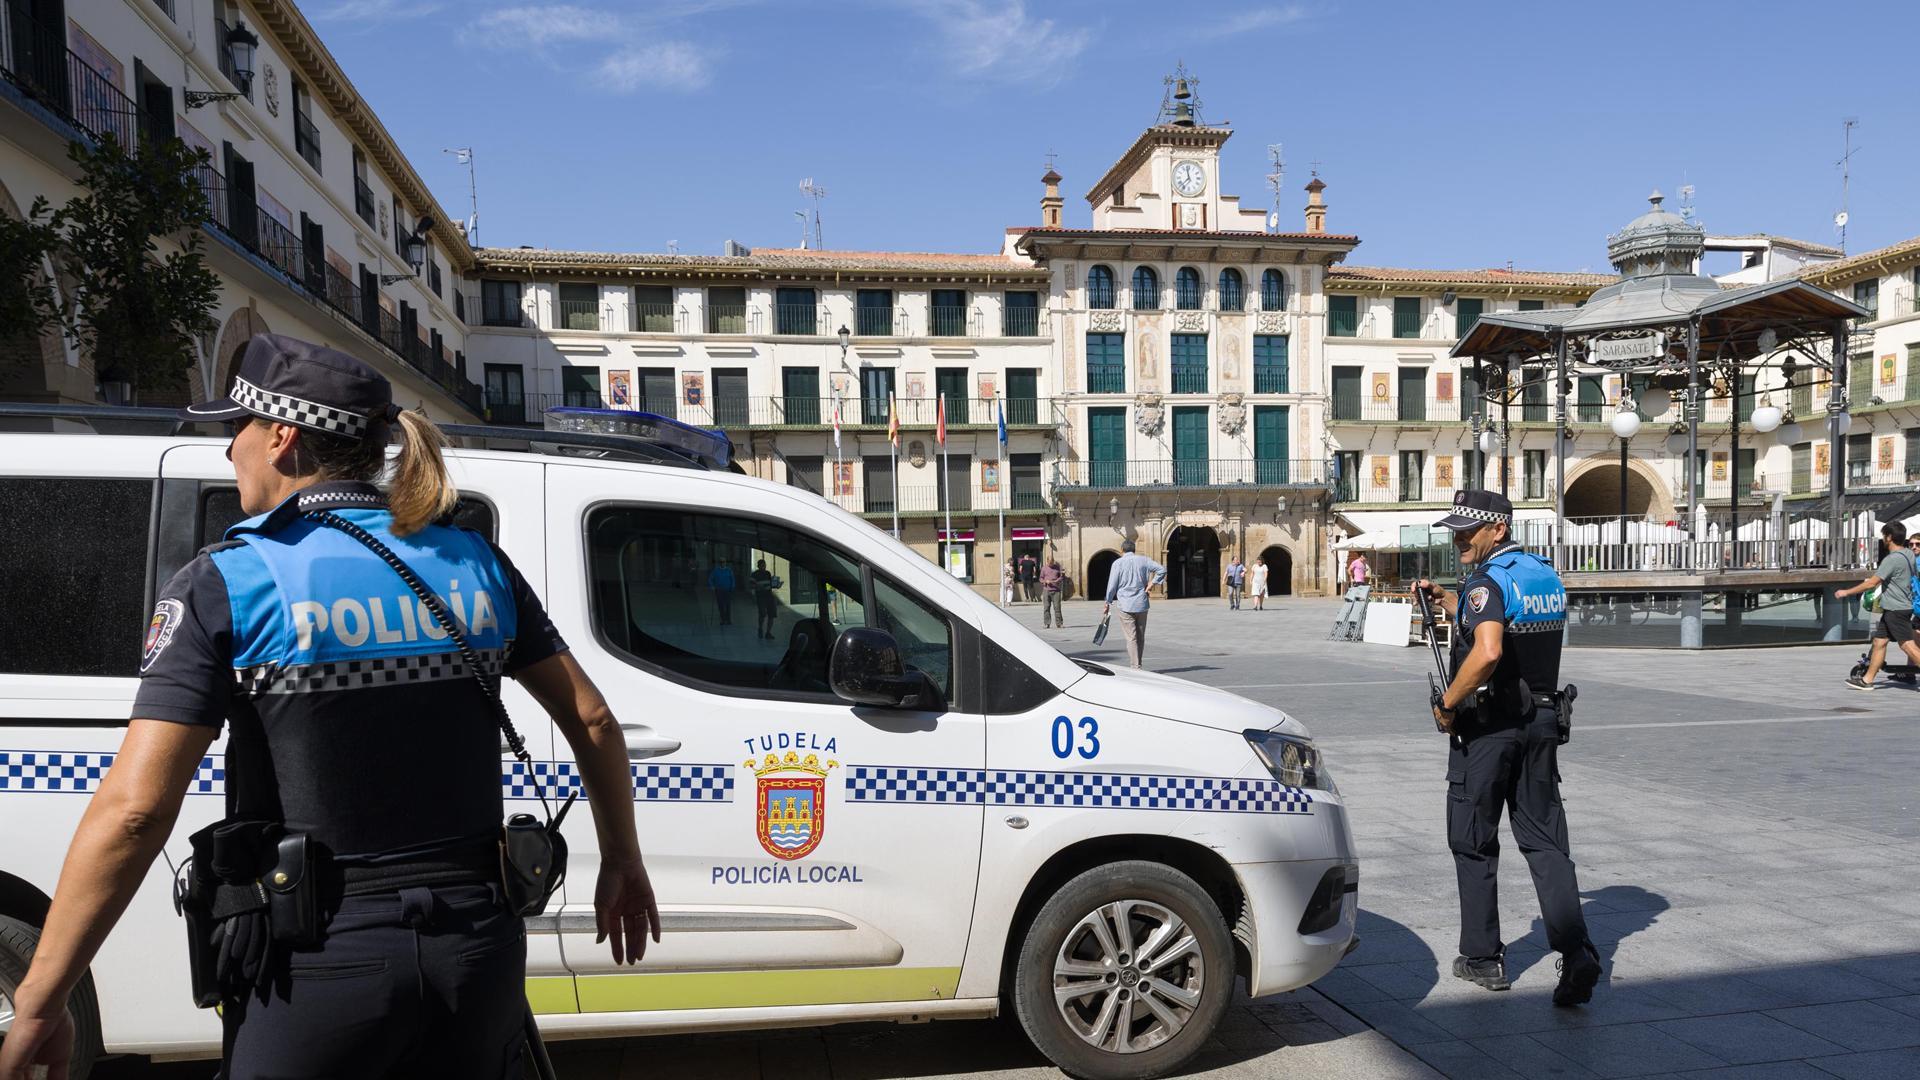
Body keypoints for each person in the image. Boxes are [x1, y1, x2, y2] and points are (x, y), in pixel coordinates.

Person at [0, 335, 659, 1080]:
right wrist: (624, 860)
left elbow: (133, 813)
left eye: (235, 431)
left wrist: (40, 1001)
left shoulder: (232, 580)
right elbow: (594, 721)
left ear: (281, 437)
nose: (229, 453)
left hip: (315, 968)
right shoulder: (475, 561)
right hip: (478, 952)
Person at [1413, 489, 1600, 1008]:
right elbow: (1511, 627)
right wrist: (1452, 602)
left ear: (1497, 528)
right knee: (1545, 842)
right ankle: (1577, 952)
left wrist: (1449, 703)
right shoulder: (1543, 574)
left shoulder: (1486, 581)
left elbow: (1491, 650)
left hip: (1490, 727)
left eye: (1467, 531)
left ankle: (1482, 957)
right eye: (1455, 532)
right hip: (1541, 721)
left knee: (1472, 838)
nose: (1458, 540)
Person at [1836, 521, 1920, 690]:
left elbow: (1871, 584)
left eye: (1884, 536)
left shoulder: (1891, 560)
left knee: (1908, 646)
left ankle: (1868, 679)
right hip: (1894, 608)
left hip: (1896, 609)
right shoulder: (1908, 554)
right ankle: (1867, 680)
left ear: (1889, 537)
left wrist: (1846, 592)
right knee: (1879, 642)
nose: (1883, 539)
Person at [1102, 540, 1166, 669]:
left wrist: (1108, 601)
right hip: (1141, 603)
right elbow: (1161, 569)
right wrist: (1152, 583)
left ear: (1122, 550)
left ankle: (1135, 666)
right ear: (1134, 549)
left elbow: (1112, 584)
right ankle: (1138, 663)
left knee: (1131, 637)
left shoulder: (1118, 563)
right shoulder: (1144, 560)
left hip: (1125, 604)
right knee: (1140, 636)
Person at [751, 558, 778, 641]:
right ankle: (760, 628)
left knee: (772, 615)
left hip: (769, 596)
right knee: (762, 614)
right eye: (762, 565)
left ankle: (768, 633)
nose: (764, 566)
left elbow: (771, 584)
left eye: (765, 565)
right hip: (760, 597)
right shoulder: (754, 574)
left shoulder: (768, 573)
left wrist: (776, 585)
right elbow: (751, 586)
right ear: (758, 566)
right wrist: (759, 587)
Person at [709, 559, 736, 625]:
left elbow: (732, 579)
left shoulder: (729, 570)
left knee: (728, 605)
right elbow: (710, 579)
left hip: (727, 590)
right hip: (719, 590)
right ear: (719, 563)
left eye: (723, 562)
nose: (722, 563)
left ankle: (728, 619)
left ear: (725, 563)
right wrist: (712, 586)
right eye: (721, 562)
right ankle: (723, 619)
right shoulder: (716, 570)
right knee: (721, 605)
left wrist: (732, 587)